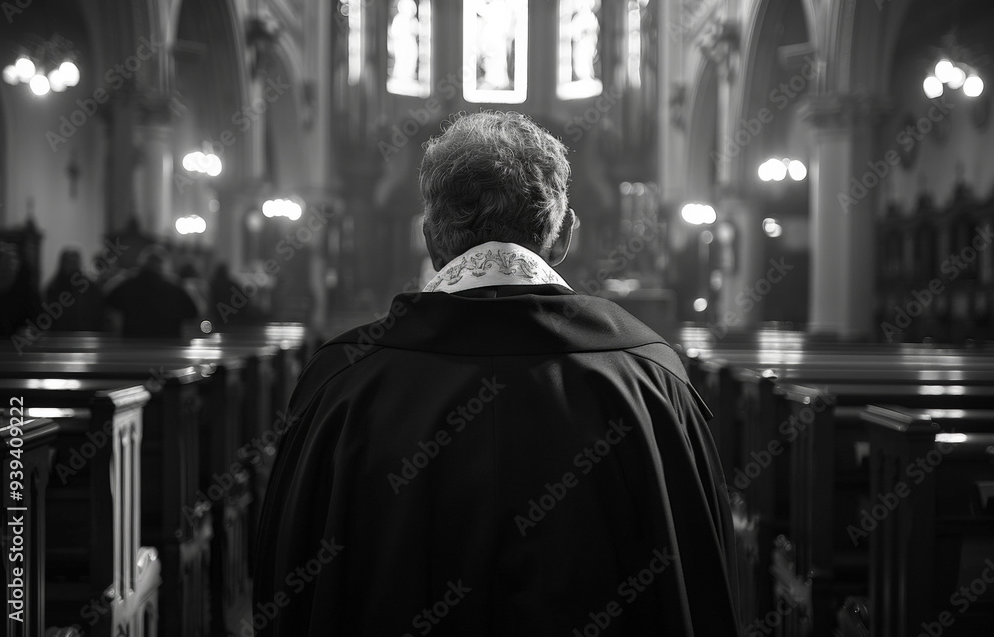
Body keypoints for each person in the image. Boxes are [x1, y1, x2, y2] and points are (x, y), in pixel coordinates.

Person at [254, 111, 740, 635]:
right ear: (564, 236)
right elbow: (701, 581)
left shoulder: (343, 382)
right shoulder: (650, 378)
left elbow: (286, 582)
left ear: (431, 240)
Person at [105, 246, 198, 338]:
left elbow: (108, 302)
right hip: (167, 343)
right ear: (164, 266)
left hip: (133, 342)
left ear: (142, 264)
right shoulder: (176, 289)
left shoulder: (127, 285)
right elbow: (193, 312)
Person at [44, 248, 106, 331]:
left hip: (84, 333)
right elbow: (49, 316)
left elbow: (97, 314)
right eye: (69, 262)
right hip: (60, 334)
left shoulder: (90, 287)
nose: (72, 266)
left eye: (74, 262)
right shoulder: (54, 287)